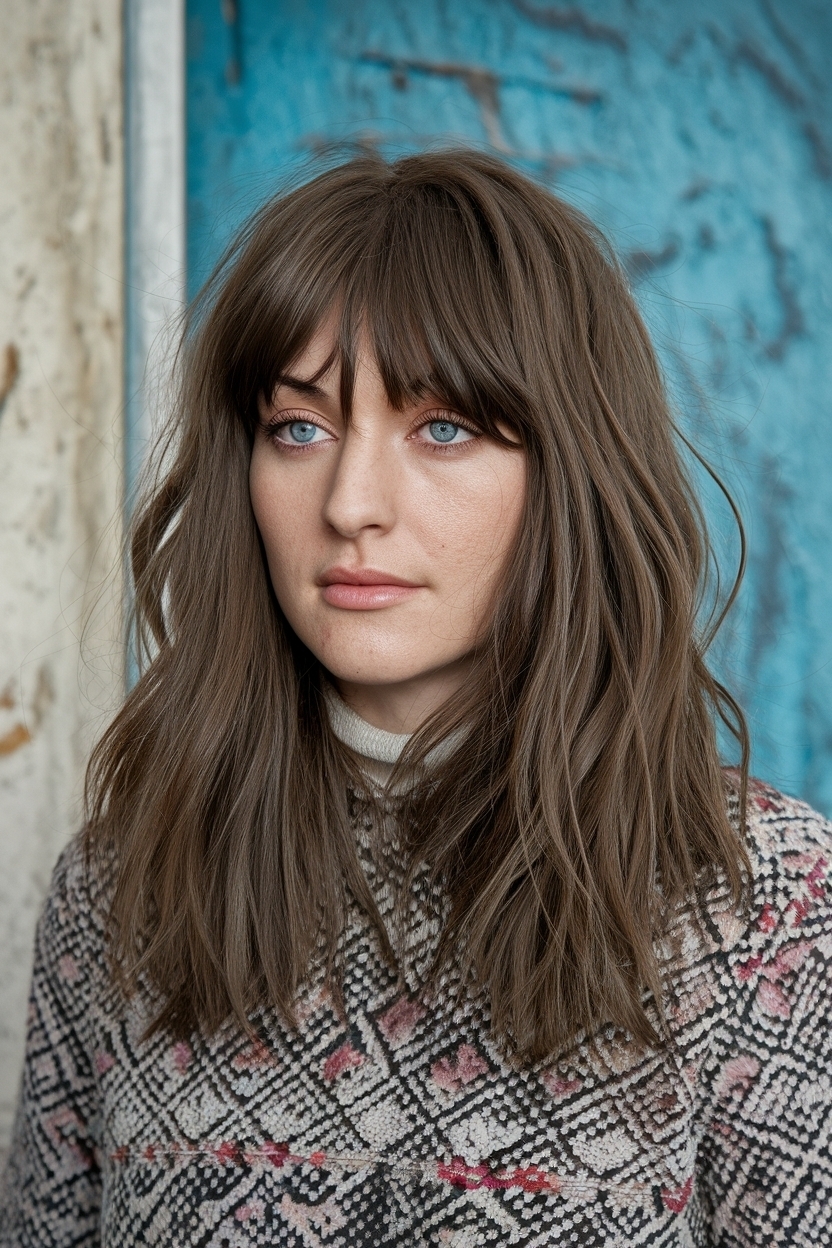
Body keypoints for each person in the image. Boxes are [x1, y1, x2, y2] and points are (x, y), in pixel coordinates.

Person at [1, 149, 830, 1247]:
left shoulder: (764, 905)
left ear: (569, 473)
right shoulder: (123, 891)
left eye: (441, 428)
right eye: (298, 428)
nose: (350, 503)